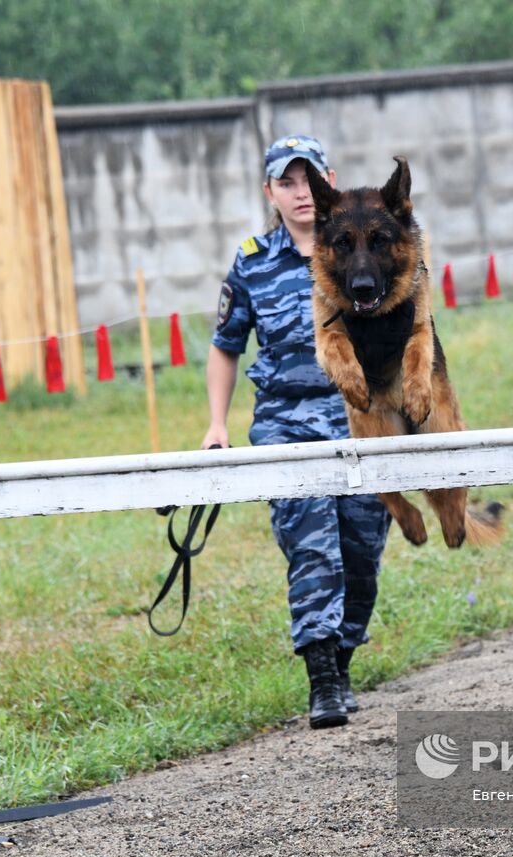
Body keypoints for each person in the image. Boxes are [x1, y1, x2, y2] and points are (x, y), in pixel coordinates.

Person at [203, 135, 391, 730]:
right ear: (271, 192)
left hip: (360, 420)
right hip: (286, 423)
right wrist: (216, 426)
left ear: (330, 179)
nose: (301, 191)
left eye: (309, 179)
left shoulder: (367, 246)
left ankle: (343, 657)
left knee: (362, 551)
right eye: (287, 182)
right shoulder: (253, 260)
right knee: (312, 546)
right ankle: (323, 682)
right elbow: (225, 347)